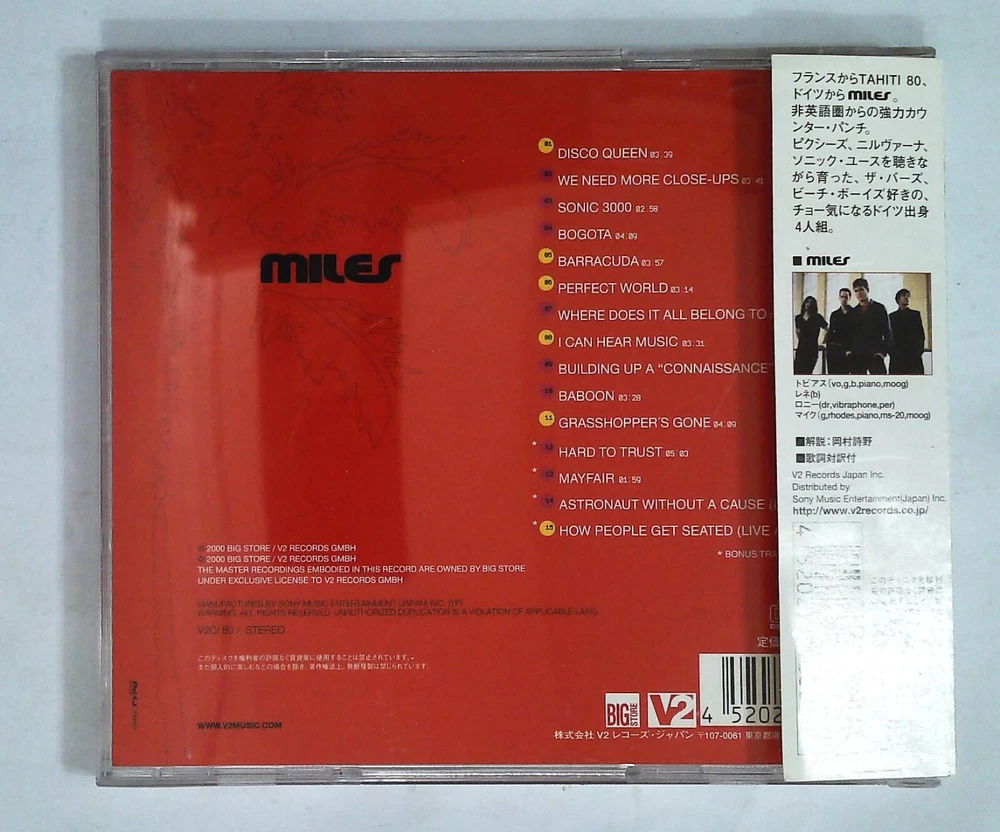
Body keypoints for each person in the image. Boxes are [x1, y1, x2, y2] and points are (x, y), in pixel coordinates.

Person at [847, 277, 891, 375]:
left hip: (875, 354)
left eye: (861, 289)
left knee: (880, 382)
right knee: (857, 383)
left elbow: (887, 332)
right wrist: (849, 350)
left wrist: (883, 353)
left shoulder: (879, 308)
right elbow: (849, 334)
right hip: (857, 355)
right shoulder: (853, 312)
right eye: (856, 291)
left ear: (867, 290)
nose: (859, 293)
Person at [888, 288, 926, 374]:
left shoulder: (915, 315)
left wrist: (918, 352)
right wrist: (892, 353)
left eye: (908, 296)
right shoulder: (891, 317)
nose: (907, 298)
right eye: (904, 296)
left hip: (913, 356)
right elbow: (889, 336)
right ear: (898, 299)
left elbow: (920, 335)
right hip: (897, 357)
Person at [794, 295, 827, 375]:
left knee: (808, 372)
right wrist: (803, 341)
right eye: (807, 302)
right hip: (801, 349)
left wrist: (823, 342)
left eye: (811, 303)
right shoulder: (798, 318)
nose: (808, 304)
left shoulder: (818, 317)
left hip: (812, 350)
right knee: (797, 371)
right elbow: (798, 332)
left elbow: (828, 329)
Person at [825, 287, 855, 374]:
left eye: (846, 297)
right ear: (839, 298)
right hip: (833, 351)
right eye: (842, 297)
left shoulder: (855, 313)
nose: (844, 299)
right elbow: (830, 332)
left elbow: (856, 333)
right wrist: (827, 346)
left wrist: (851, 349)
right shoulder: (834, 314)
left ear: (849, 298)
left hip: (848, 351)